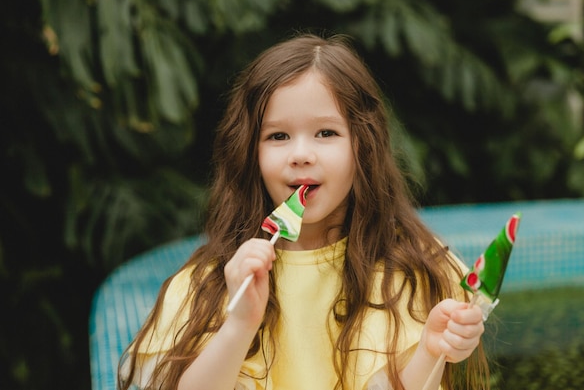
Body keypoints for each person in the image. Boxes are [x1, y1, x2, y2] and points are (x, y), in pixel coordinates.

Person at [119, 33, 488, 390]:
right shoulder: (213, 283)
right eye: (278, 136)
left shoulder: (412, 271)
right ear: (252, 155)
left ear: (363, 148)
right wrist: (240, 324)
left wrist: (432, 350)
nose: (301, 154)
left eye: (326, 133)